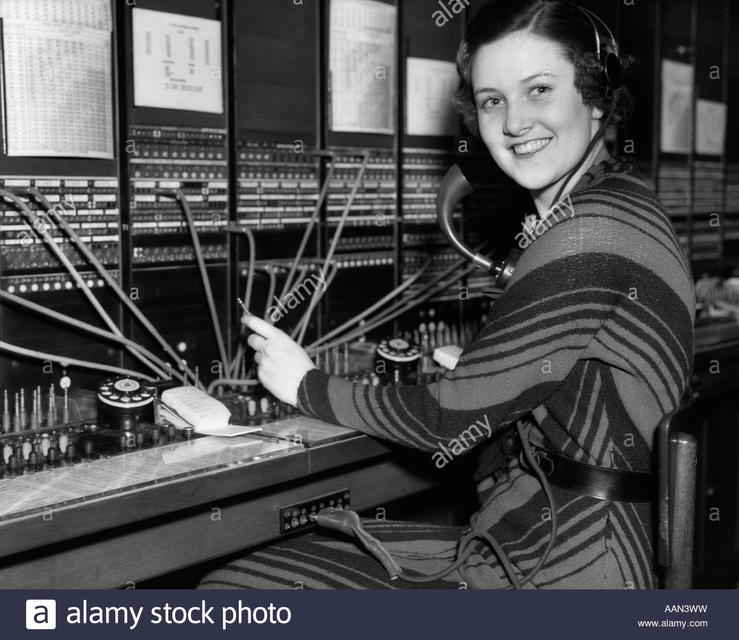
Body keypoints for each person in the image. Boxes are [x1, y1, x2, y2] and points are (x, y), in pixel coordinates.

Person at [198, 0, 694, 589]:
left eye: (538, 90)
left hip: (576, 560)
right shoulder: (623, 203)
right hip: (581, 533)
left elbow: (444, 421)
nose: (512, 123)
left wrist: (303, 382)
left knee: (235, 589)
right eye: (492, 100)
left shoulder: (585, 233)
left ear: (596, 97)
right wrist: (503, 374)